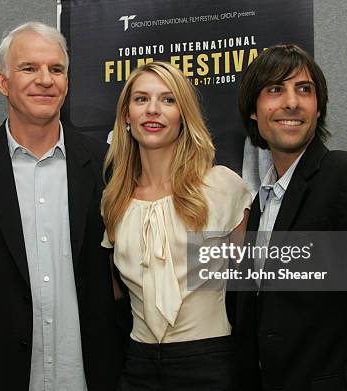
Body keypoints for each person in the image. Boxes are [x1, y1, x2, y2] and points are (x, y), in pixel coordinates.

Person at [0, 22, 126, 391]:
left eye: (56, 69)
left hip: (88, 377)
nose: (45, 80)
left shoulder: (106, 163)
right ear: (3, 82)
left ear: (67, 82)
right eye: (29, 68)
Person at [233, 43, 347, 390]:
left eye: (304, 89)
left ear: (318, 108)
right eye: (275, 89)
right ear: (254, 109)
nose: (292, 102)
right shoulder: (260, 202)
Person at [101, 61, 251, 390]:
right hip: (137, 365)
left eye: (168, 100)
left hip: (208, 362)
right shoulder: (114, 202)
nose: (153, 110)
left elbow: (248, 286)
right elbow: (112, 293)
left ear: (183, 115)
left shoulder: (222, 187)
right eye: (141, 99)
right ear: (126, 115)